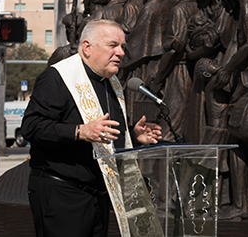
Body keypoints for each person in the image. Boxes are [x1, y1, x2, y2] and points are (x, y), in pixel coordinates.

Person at [22, 19, 163, 237]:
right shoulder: (58, 77)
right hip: (62, 194)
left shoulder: (111, 83)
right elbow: (31, 127)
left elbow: (105, 134)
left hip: (98, 195)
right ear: (87, 47)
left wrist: (133, 136)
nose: (121, 52)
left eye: (123, 47)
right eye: (113, 45)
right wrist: (80, 131)